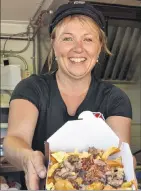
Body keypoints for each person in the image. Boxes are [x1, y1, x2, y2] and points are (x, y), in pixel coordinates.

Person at [3, 1, 135, 190]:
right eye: (67, 38)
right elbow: (15, 139)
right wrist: (27, 157)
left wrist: (126, 167)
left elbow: (118, 155)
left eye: (88, 39)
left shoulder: (115, 98)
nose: (78, 48)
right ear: (54, 45)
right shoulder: (31, 88)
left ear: (99, 47)